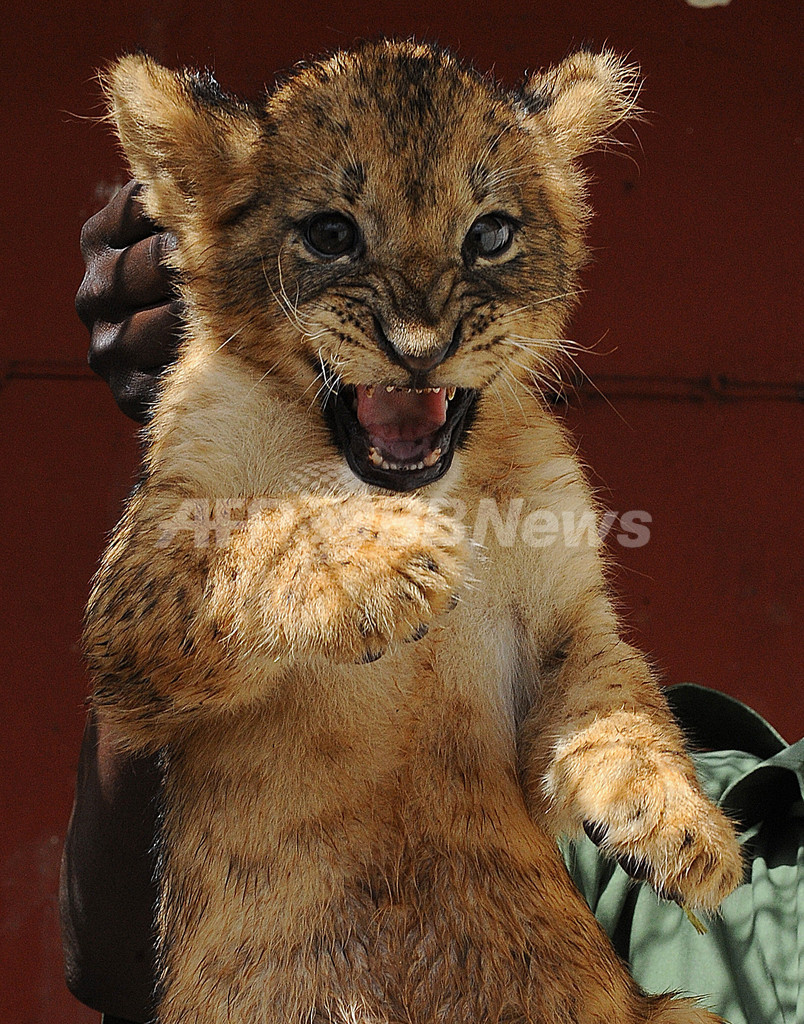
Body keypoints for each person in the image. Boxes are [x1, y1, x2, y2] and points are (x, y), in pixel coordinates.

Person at [61, 183, 804, 1024]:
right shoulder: (733, 812)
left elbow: (575, 665)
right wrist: (207, 457)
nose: (419, 332)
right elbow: (117, 959)